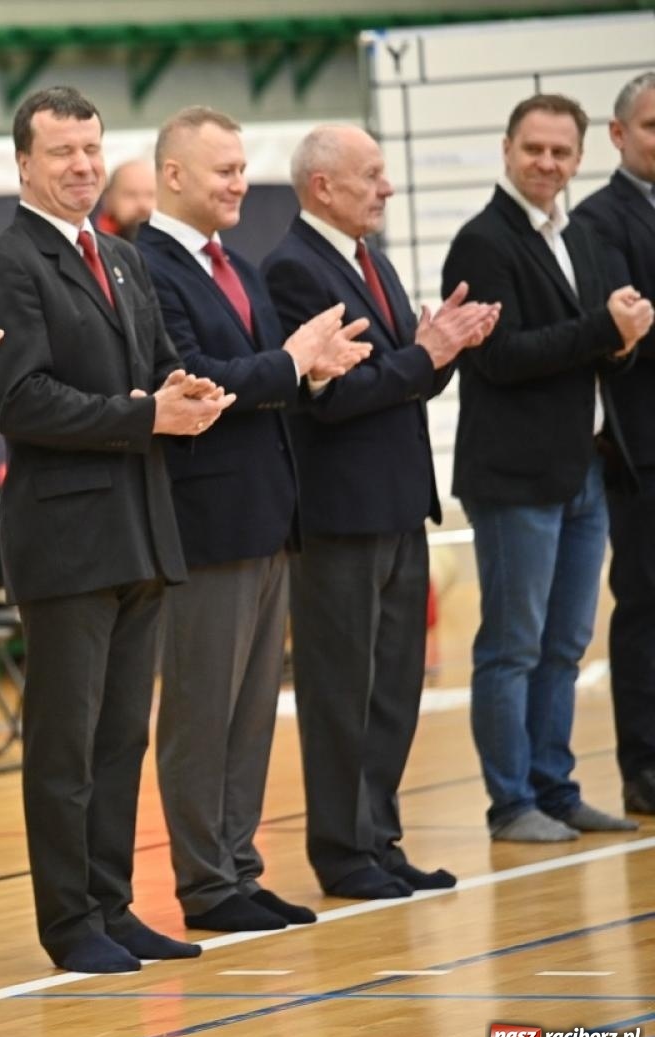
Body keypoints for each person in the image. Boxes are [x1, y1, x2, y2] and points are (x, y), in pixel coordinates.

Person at [0, 86, 234, 975]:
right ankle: (69, 920)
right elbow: (22, 399)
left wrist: (189, 396)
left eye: (90, 149)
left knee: (121, 738)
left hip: (141, 530)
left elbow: (158, 370)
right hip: (68, 542)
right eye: (61, 153)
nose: (81, 166)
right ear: (22, 163)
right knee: (65, 745)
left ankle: (113, 903)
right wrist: (144, 412)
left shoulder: (121, 259)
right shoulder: (7, 263)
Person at [136, 107, 369, 932]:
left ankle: (239, 863)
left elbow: (266, 375)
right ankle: (203, 881)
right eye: (222, 169)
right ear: (172, 176)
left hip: (269, 515)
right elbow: (195, 378)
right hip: (206, 520)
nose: (239, 182)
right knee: (202, 711)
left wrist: (309, 370)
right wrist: (293, 363)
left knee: (251, 711)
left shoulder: (232, 261)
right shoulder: (150, 265)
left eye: (241, 168)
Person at [261, 124, 496, 896]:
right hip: (339, 514)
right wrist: (423, 355)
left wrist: (439, 348)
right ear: (322, 185)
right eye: (371, 175)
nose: (386, 188)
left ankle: (379, 836)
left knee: (394, 686)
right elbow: (331, 398)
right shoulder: (293, 268)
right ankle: (341, 849)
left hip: (398, 505)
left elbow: (400, 380)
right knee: (341, 689)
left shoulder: (374, 260)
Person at [443, 94, 653, 842]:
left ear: (581, 156)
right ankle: (511, 801)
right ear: (507, 148)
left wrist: (622, 337)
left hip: (582, 471)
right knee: (512, 647)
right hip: (514, 478)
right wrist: (606, 328)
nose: (547, 164)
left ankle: (554, 787)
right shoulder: (483, 241)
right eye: (534, 148)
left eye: (562, 152)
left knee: (565, 645)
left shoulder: (575, 236)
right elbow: (498, 357)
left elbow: (595, 342)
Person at [573, 71, 655, 817]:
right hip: (643, 449)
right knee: (646, 609)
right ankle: (646, 766)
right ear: (620, 136)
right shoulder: (598, 220)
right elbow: (623, 334)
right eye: (654, 126)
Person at [96, 158, 156, 240]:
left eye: (151, 195)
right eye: (131, 194)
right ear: (108, 199)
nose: (142, 204)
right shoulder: (91, 245)